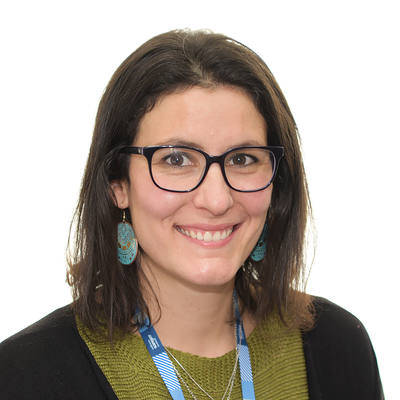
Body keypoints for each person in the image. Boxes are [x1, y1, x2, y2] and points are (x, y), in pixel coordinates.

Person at [0, 29, 383, 400]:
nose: (216, 200)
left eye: (242, 159)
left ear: (276, 182)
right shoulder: (23, 376)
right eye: (177, 159)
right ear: (118, 184)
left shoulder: (338, 346)